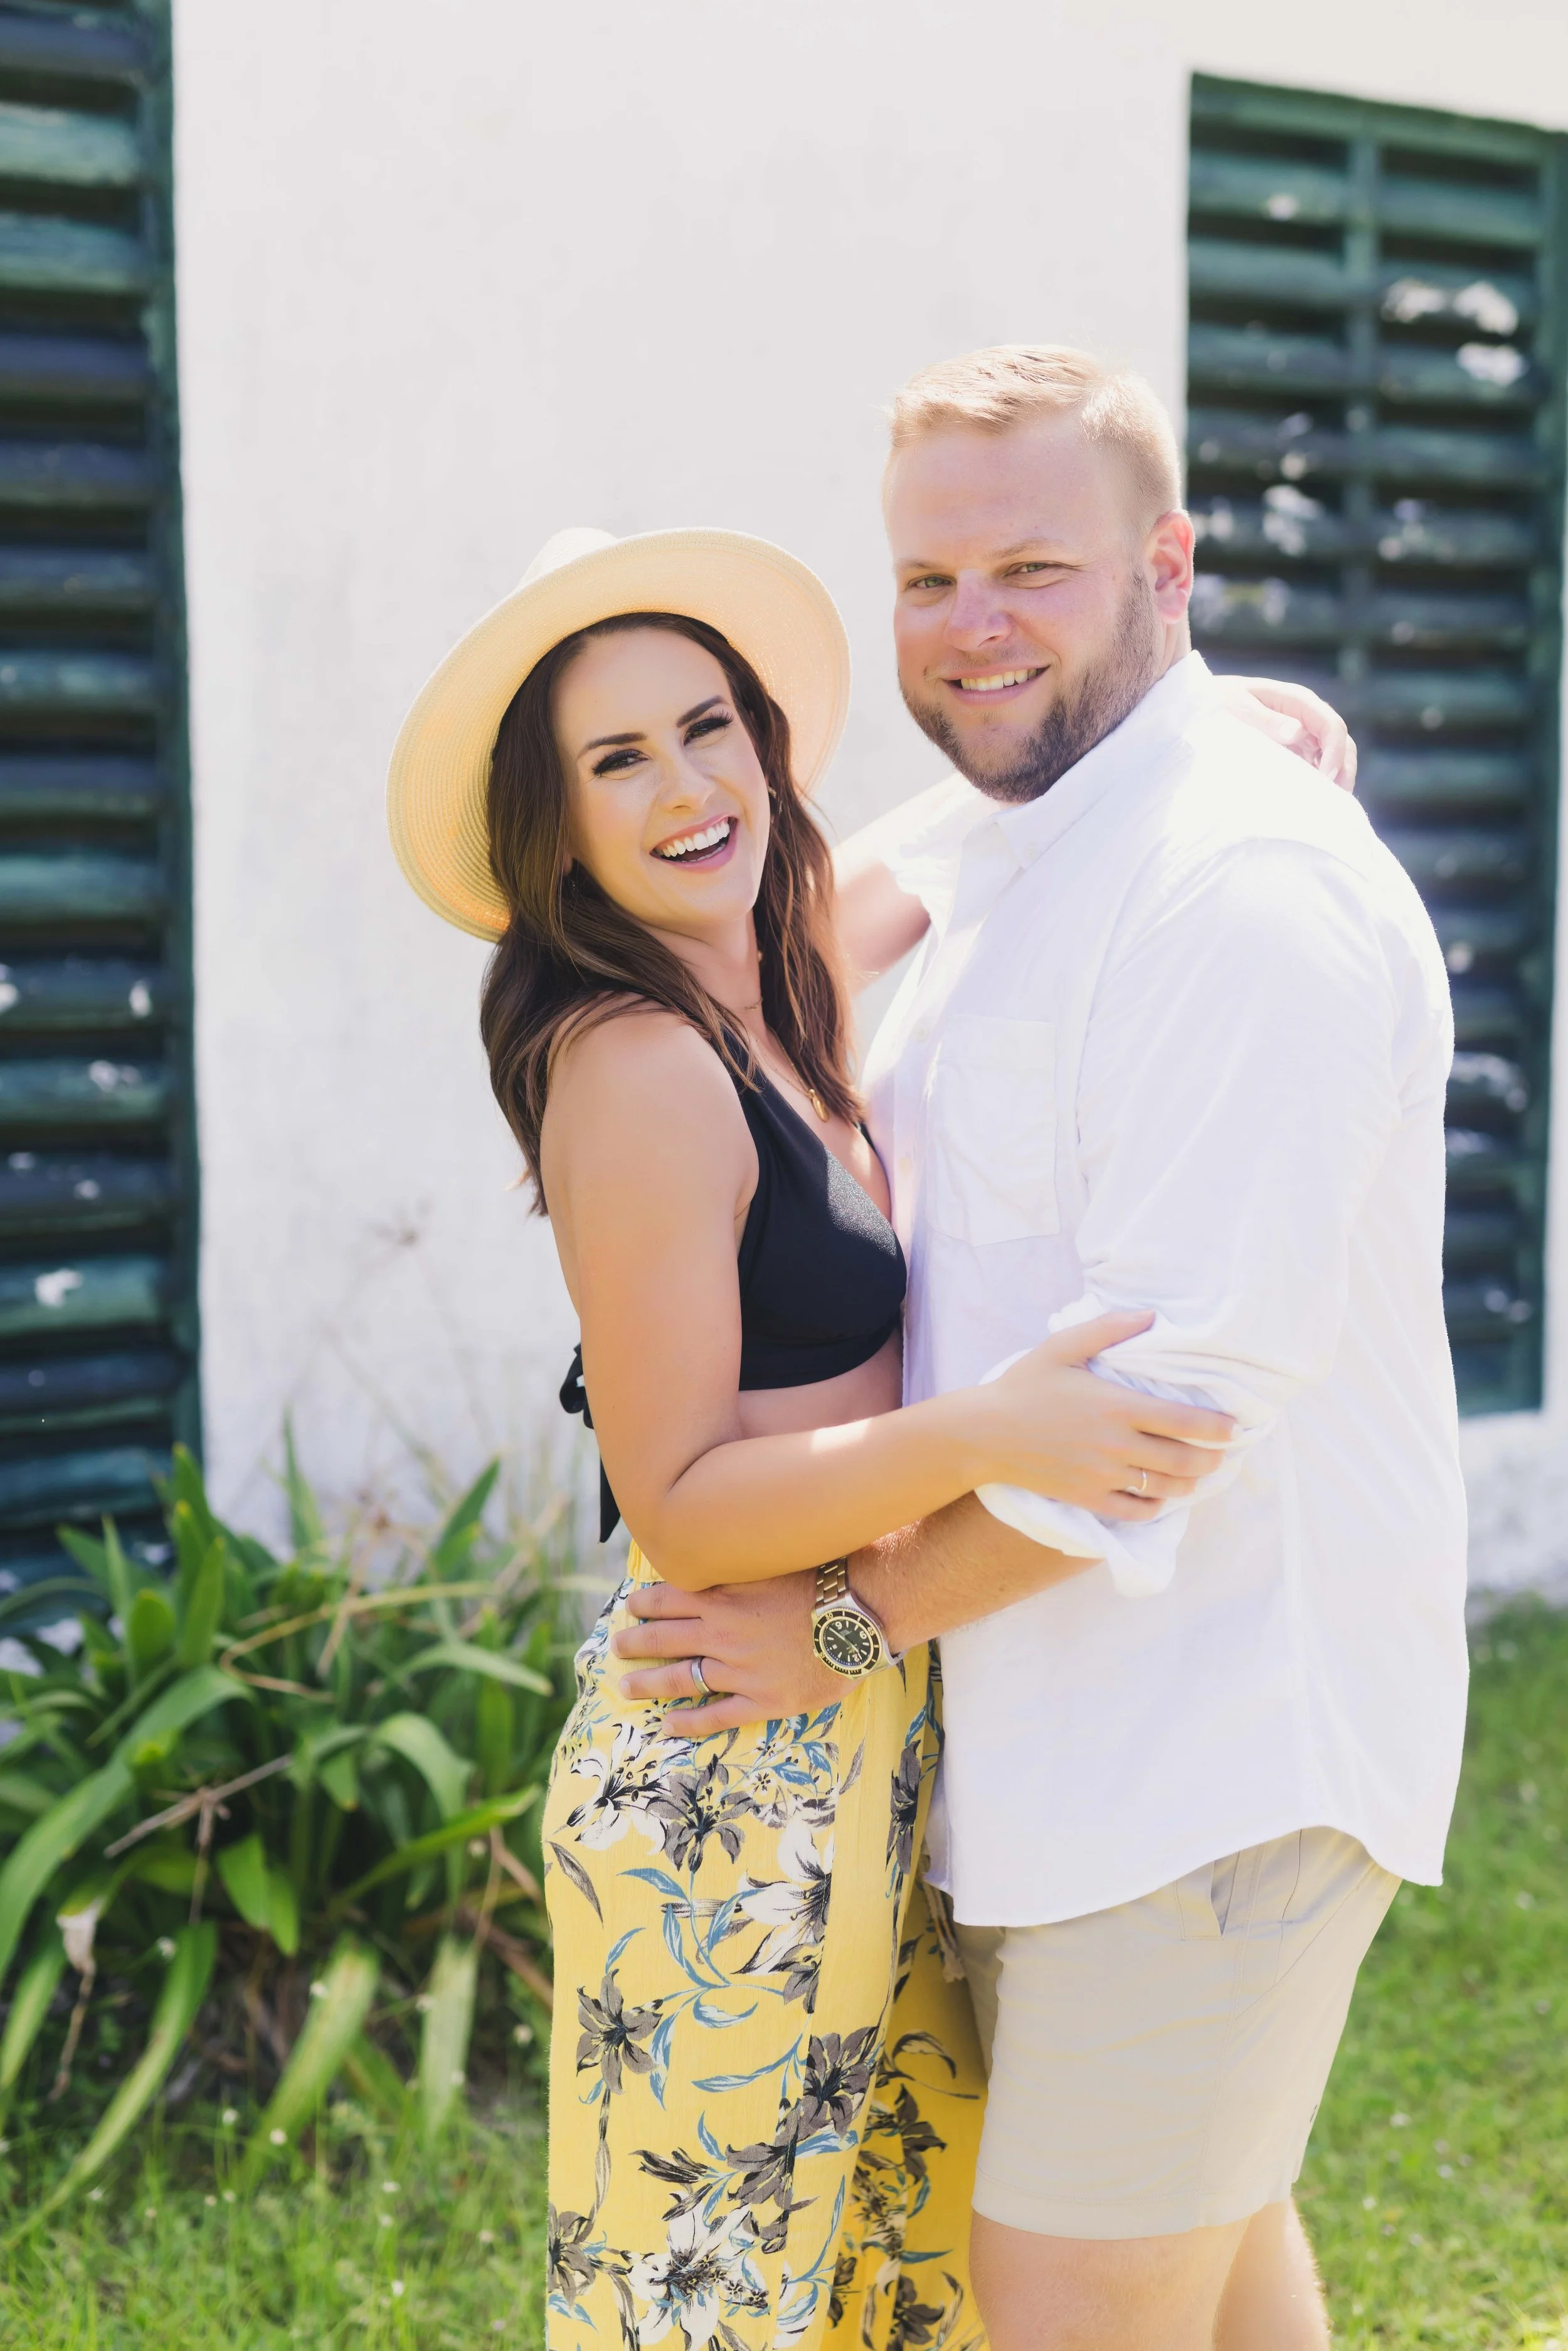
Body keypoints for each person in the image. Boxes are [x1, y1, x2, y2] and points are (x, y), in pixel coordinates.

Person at [386, 523, 1355, 2351]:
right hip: (723, 1768)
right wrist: (997, 1428)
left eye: (707, 729)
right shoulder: (636, 1063)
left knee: (885, 2293)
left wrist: (1204, 723)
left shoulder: (766, 987)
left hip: (852, 1721)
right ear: (555, 828)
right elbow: (682, 1504)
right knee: (706, 2317)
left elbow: (957, 836)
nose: (687, 789)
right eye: (617, 761)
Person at [613, 348, 1470, 2351]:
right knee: (1216, 2269)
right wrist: (1181, 701)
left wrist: (841, 1628)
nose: (968, 625)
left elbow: (1166, 1416)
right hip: (1049, 1744)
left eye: (1031, 571)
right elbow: (771, 944)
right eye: (928, 580)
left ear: (1166, 564)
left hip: (1207, 1747)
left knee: (1065, 2305)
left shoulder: (1238, 886)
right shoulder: (1032, 834)